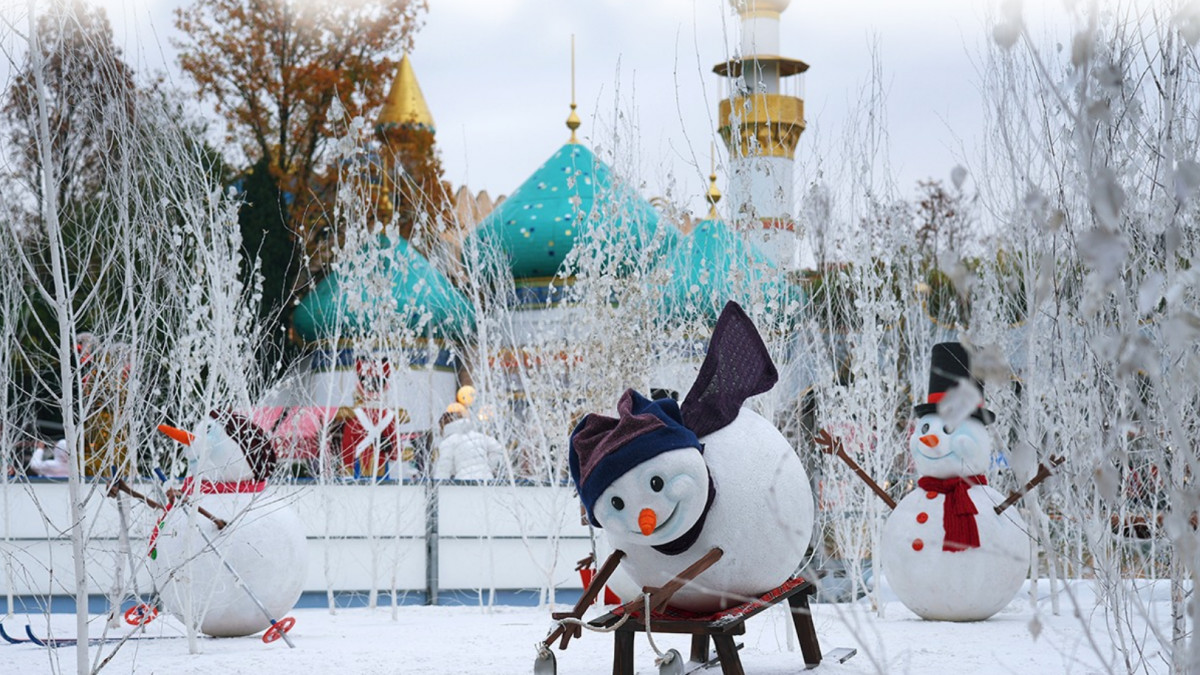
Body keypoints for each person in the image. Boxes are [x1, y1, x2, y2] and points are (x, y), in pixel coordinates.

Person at [432, 411, 503, 481]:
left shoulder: (448, 442)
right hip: (486, 480)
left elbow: (443, 470)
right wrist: (487, 468)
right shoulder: (480, 436)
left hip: (465, 483)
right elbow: (497, 449)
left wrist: (437, 488)